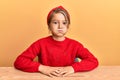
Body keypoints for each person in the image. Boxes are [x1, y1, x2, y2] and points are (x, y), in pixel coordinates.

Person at [14, 6, 98, 77]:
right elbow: (19, 61)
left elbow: (93, 61)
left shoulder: (75, 45)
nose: (60, 26)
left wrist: (73, 68)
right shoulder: (40, 43)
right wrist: (42, 68)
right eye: (55, 22)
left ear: (68, 26)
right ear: (49, 26)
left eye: (64, 23)